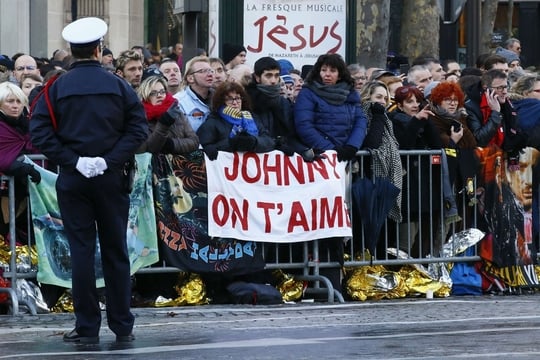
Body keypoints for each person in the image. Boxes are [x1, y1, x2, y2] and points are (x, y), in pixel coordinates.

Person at [29, 17, 148, 344]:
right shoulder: (120, 85)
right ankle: (122, 324)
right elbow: (138, 130)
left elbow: (39, 132)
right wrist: (108, 161)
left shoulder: (56, 88)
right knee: (115, 251)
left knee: (80, 252)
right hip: (111, 179)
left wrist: (74, 161)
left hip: (74, 179)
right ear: (98, 49)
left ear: (72, 51)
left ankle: (86, 326)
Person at [389, 86, 442, 256]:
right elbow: (404, 145)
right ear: (399, 104)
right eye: (410, 101)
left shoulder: (422, 119)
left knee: (422, 240)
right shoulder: (394, 121)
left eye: (418, 101)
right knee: (405, 242)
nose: (415, 105)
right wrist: (416, 121)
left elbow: (437, 145)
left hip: (424, 187)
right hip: (406, 188)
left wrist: (426, 121)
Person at [294, 53, 367, 161]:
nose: (327, 74)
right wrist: (331, 149)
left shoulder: (350, 93)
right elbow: (304, 125)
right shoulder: (307, 93)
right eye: (323, 70)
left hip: (347, 155)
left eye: (332, 71)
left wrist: (352, 146)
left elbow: (360, 121)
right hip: (320, 157)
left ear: (340, 75)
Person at [244, 56, 309, 160]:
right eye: (268, 76)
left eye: (276, 75)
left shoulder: (283, 102)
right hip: (256, 159)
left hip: (280, 162)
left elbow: (291, 134)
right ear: (257, 77)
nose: (273, 81)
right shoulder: (247, 101)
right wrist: (276, 144)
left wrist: (304, 150)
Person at [0, 82, 41, 238]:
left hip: (25, 190)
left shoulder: (29, 126)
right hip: (5, 190)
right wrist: (22, 167)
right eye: (10, 101)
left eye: (18, 101)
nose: (15, 106)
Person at [196, 81, 274, 159]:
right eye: (230, 99)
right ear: (221, 102)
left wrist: (254, 142)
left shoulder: (252, 118)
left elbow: (269, 141)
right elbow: (204, 147)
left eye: (237, 98)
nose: (235, 103)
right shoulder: (213, 122)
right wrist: (231, 143)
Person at [136, 75, 199, 154]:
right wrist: (163, 125)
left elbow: (194, 141)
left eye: (162, 92)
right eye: (153, 93)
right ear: (145, 96)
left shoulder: (176, 112)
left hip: (181, 164)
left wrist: (172, 144)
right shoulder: (140, 117)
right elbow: (149, 148)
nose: (159, 95)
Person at [464, 69, 524, 151]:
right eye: (500, 88)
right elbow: (480, 139)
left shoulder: (507, 105)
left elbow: (514, 133)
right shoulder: (471, 106)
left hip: (501, 155)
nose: (505, 92)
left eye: (506, 87)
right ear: (486, 88)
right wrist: (495, 113)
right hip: (481, 157)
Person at [173, 56, 214, 132]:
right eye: (203, 71)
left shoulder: (219, 98)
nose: (210, 74)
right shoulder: (178, 102)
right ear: (190, 78)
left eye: (211, 71)